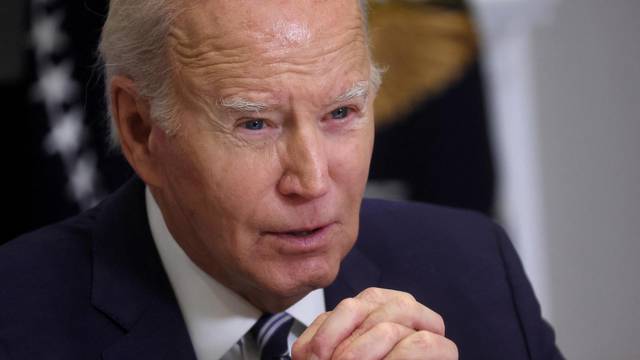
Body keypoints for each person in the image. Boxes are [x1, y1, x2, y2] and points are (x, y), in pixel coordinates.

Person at [0, 0, 563, 359]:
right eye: (255, 123)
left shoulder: (477, 267)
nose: (313, 181)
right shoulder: (15, 317)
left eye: (341, 113)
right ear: (141, 128)